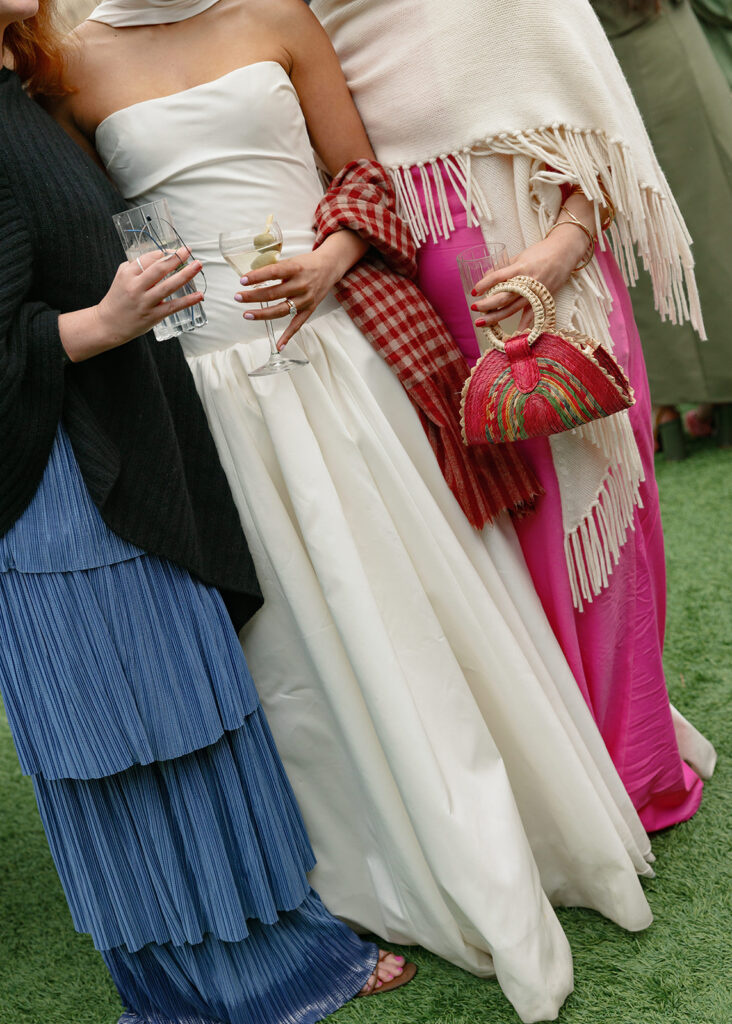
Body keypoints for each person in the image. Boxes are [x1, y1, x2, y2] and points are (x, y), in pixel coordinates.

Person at [51, 1, 663, 1020]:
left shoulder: (274, 13)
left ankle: (507, 828)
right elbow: (99, 231)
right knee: (294, 642)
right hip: (207, 392)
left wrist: (330, 260)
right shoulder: (73, 65)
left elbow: (362, 174)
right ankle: (364, 864)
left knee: (413, 600)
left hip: (336, 357)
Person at [0, 3, 413, 1022]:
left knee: (189, 716)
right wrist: (103, 324)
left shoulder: (18, 94)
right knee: (145, 734)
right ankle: (247, 980)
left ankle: (254, 960)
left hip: (115, 462)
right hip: (62, 490)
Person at [311, 0, 717, 829]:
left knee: (598, 519)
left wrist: (563, 247)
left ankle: (633, 768)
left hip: (541, 260)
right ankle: (561, 779)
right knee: (502, 538)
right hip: (410, 293)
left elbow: (593, 122)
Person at [590, 0, 732, 454]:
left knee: (639, 231)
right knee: (713, 219)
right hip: (671, 49)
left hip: (601, 70)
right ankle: (724, 394)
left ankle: (663, 404)